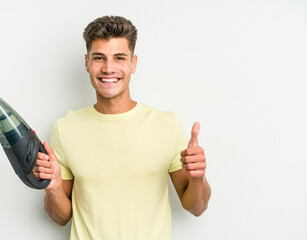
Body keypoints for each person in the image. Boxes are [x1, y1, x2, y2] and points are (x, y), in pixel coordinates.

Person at [34, 16, 211, 240]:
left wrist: (198, 177)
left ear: (133, 63)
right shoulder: (65, 127)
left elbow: (197, 207)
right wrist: (53, 188)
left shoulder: (166, 124)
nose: (109, 68)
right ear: (87, 63)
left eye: (119, 58)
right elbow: (60, 217)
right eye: (99, 58)